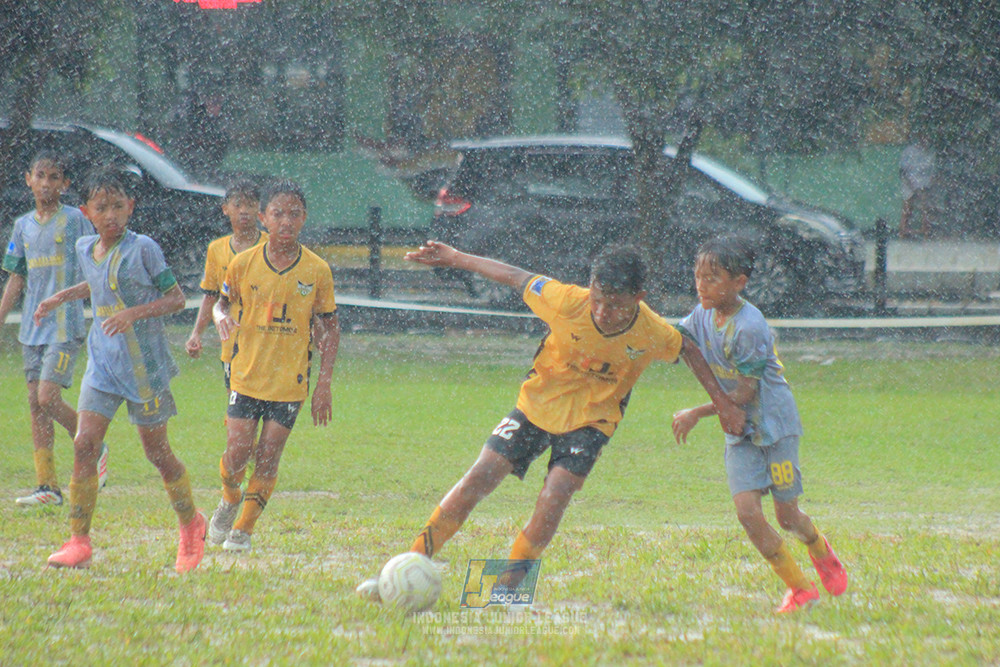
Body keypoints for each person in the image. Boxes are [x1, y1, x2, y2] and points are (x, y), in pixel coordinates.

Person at [357, 240, 745, 600]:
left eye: (615, 305)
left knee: (555, 494)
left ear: (638, 298)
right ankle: (407, 567)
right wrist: (455, 257)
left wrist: (723, 403)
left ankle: (505, 590)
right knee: (478, 477)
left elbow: (688, 348)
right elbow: (516, 276)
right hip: (535, 408)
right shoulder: (565, 301)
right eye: (597, 300)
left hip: (592, 422)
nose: (602, 312)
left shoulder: (652, 331)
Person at [34, 166, 205, 573]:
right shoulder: (84, 247)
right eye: (101, 207)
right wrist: (60, 297)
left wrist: (133, 313)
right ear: (86, 212)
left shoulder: (144, 248)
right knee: (84, 444)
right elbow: (97, 283)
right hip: (102, 364)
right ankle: (78, 540)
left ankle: (191, 524)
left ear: (130, 206)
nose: (110, 215)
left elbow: (177, 299)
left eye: (117, 206)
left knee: (157, 454)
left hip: (144, 367)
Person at [671, 234, 847, 614]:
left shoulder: (749, 327)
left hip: (775, 428)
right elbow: (677, 340)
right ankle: (800, 589)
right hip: (738, 431)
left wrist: (696, 412)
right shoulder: (701, 314)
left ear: (739, 282)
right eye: (698, 276)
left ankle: (820, 550)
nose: (701, 285)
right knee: (747, 513)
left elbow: (744, 393)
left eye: (712, 278)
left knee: (787, 517)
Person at [207, 179, 340, 553]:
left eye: (294, 214)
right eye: (278, 213)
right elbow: (221, 303)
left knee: (268, 457)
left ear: (304, 218)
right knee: (237, 455)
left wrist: (324, 384)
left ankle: (243, 530)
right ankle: (229, 499)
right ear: (263, 218)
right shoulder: (242, 263)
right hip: (246, 375)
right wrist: (220, 317)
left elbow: (330, 326)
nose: (286, 221)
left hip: (289, 382)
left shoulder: (317, 270)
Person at [0, 150, 108, 506]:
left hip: (64, 325)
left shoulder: (76, 220)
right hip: (32, 328)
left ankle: (93, 442)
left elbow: (98, 260)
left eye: (53, 177)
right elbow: (17, 277)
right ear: (28, 179)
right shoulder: (22, 226)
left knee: (48, 397)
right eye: (40, 176)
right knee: (36, 405)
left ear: (65, 184)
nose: (46, 183)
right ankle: (47, 486)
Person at [185, 180, 267, 388]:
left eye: (250, 205)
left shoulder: (271, 245)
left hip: (267, 340)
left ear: (259, 209)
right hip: (233, 342)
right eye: (238, 205)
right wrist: (196, 333)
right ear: (225, 209)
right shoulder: (216, 249)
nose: (244, 211)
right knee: (236, 400)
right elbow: (210, 295)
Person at [899, 135, 936, 238]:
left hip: (924, 184)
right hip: (909, 183)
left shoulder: (931, 153)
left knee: (925, 207)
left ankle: (925, 231)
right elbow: (902, 171)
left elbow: (932, 172)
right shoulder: (909, 151)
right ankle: (903, 231)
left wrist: (927, 186)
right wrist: (911, 186)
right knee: (908, 207)